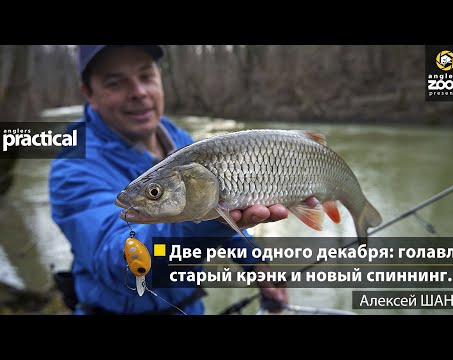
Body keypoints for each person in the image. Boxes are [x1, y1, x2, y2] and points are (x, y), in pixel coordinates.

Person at [49, 45, 290, 315]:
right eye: (116, 83)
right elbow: (117, 260)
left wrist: (256, 263)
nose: (139, 92)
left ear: (160, 78)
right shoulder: (72, 166)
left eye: (146, 76)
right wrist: (202, 222)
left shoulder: (182, 143)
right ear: (89, 95)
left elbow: (224, 206)